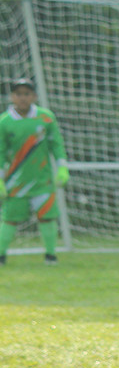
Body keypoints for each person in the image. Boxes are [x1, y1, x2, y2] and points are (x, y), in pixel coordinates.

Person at [0, 78, 69, 266]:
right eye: (18, 94)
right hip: (15, 181)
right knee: (10, 219)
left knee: (47, 217)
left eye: (27, 94)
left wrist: (62, 167)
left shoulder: (46, 118)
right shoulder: (4, 122)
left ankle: (51, 255)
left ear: (34, 96)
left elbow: (57, 144)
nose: (23, 98)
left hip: (42, 180)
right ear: (12, 97)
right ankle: (1, 255)